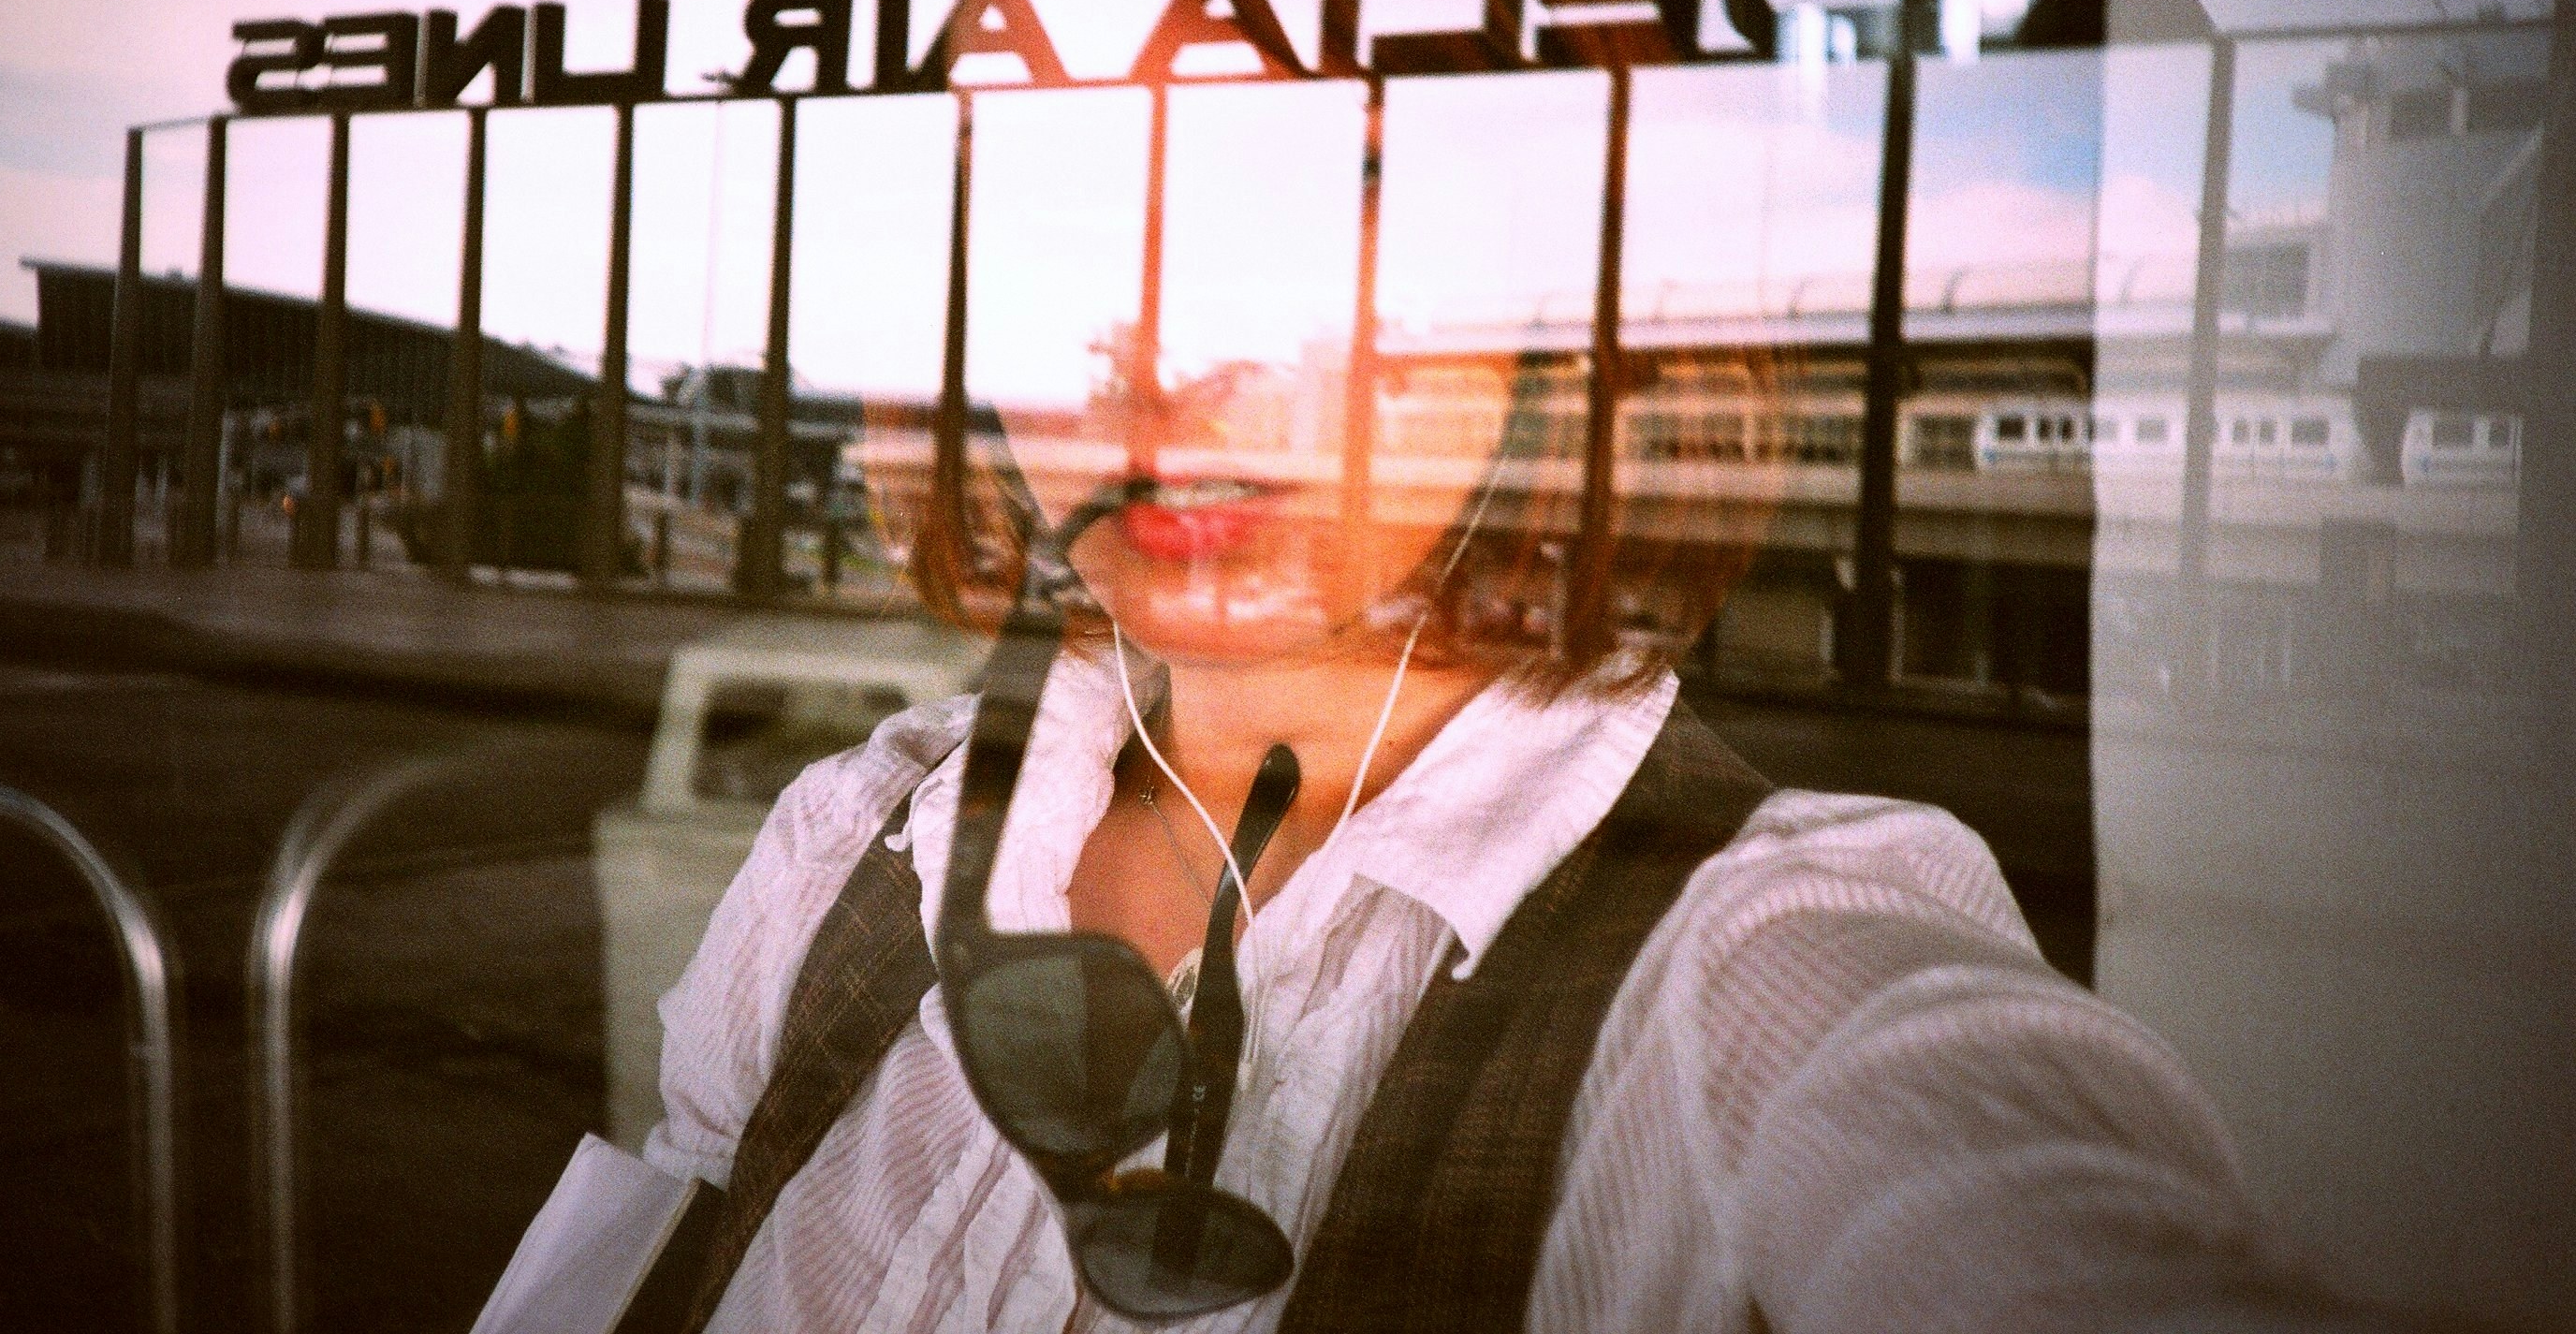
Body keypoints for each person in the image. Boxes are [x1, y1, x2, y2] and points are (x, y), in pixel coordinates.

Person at [637, 214, 2383, 1332]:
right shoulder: (861, 838)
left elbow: (2007, 1202)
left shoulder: (1751, 966)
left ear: (1558, 318)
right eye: (1059, 236)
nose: (1156, 367)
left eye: (1296, 228)